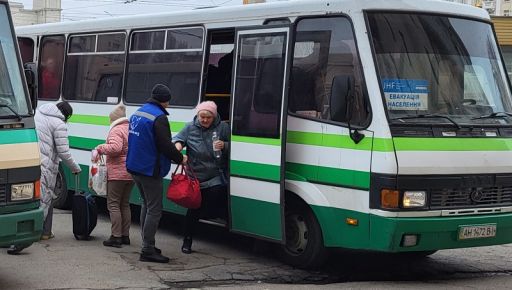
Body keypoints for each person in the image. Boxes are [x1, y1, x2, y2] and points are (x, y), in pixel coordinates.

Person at [126, 84, 187, 263]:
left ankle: (148, 244)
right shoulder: (159, 117)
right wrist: (180, 158)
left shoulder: (139, 112)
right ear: (166, 100)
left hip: (135, 167)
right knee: (155, 209)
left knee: (146, 204)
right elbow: (165, 145)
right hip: (149, 169)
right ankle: (147, 249)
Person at [173, 101, 230, 254]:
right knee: (194, 209)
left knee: (217, 191)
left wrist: (224, 145)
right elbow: (178, 140)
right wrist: (178, 149)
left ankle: (212, 218)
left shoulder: (223, 128)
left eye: (208, 117)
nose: (204, 120)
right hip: (195, 176)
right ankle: (187, 240)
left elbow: (237, 145)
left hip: (215, 174)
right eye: (201, 117)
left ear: (215, 116)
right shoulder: (190, 127)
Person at [35, 101, 81, 240]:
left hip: (32, 160)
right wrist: (75, 167)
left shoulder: (38, 113)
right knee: (45, 197)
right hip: (45, 164)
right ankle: (39, 232)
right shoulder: (59, 124)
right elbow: (63, 152)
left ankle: (44, 231)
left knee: (37, 196)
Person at [93, 104, 134, 248]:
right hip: (131, 172)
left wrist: (100, 147)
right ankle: (125, 236)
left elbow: (115, 148)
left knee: (113, 204)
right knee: (125, 204)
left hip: (118, 173)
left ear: (114, 119)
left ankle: (116, 237)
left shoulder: (116, 130)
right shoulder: (131, 128)